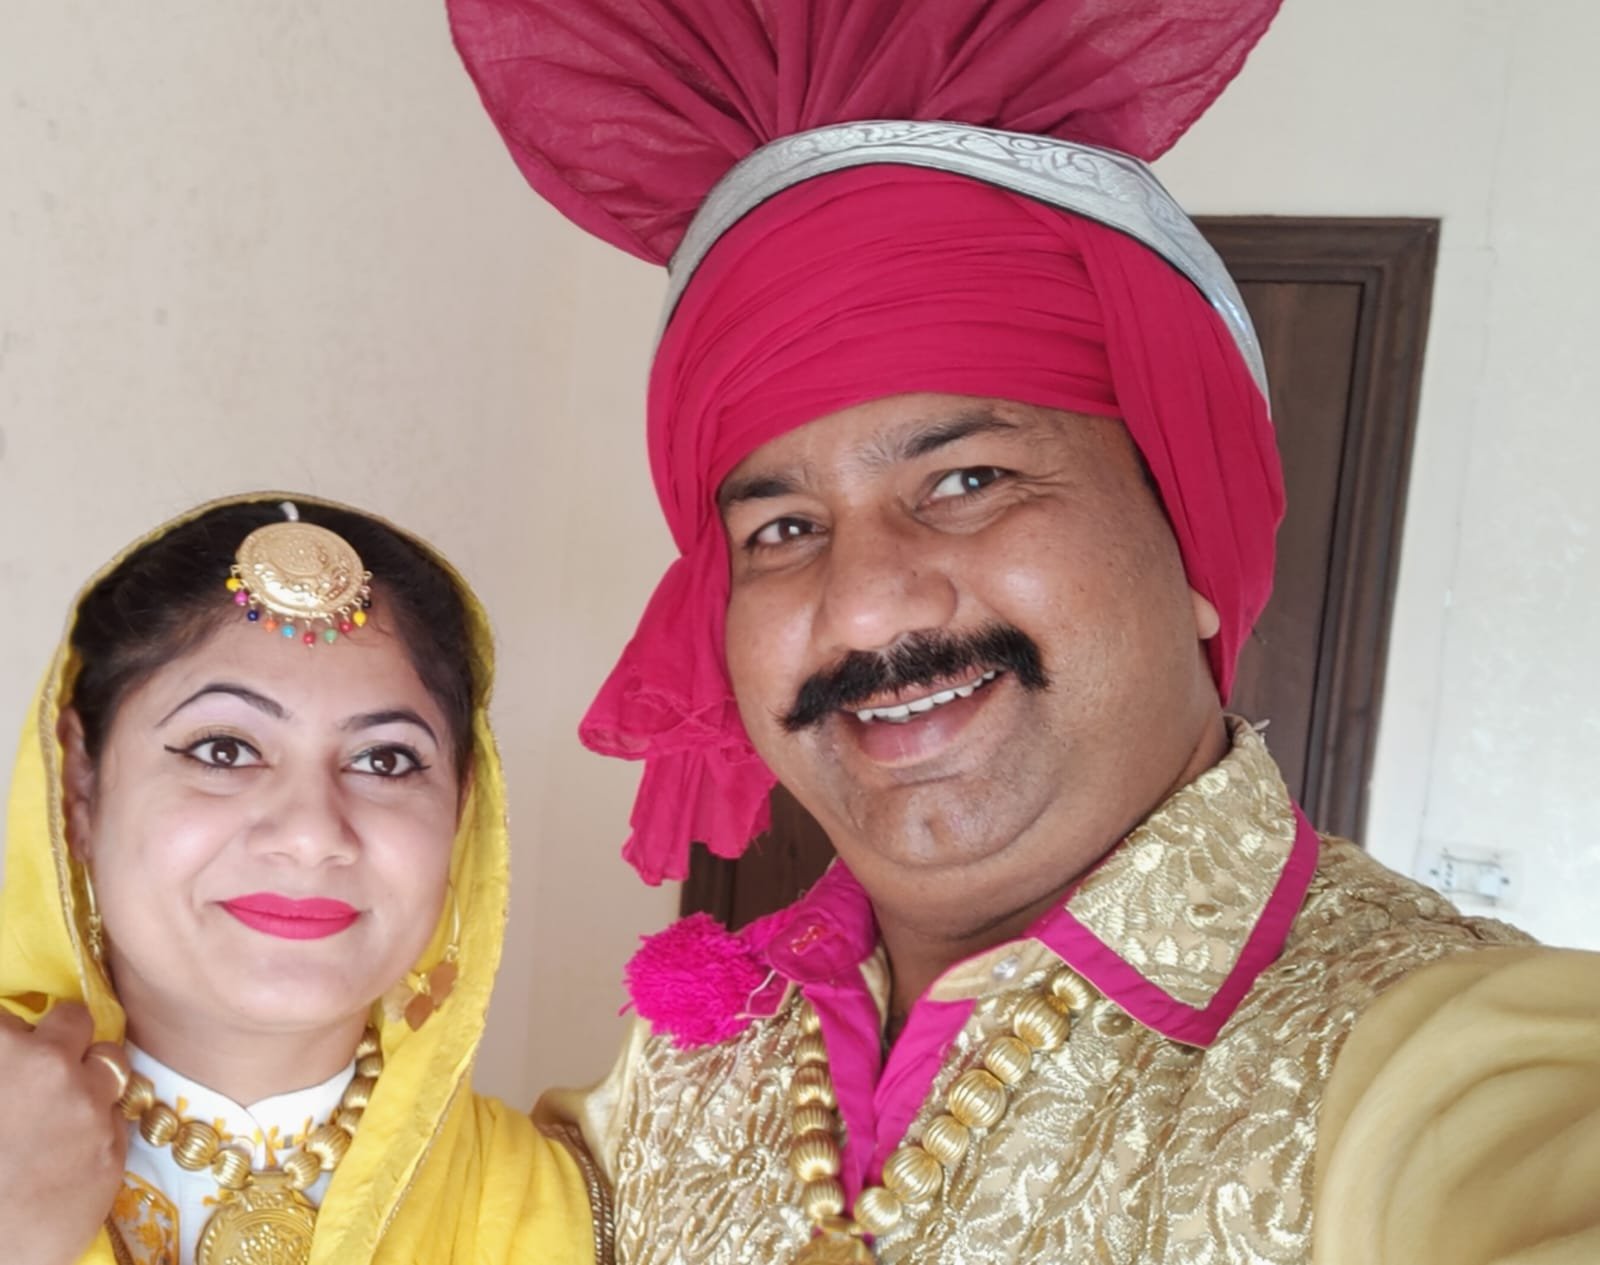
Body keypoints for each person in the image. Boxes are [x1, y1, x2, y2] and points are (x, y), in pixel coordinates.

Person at [450, 0, 1600, 1261]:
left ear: (1194, 541)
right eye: (781, 527)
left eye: (967, 480)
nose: (863, 602)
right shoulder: (677, 1069)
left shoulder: (1442, 1065)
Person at [0, 495, 604, 1265]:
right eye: (223, 749)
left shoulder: (580, 1209)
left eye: (385, 759)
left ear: (462, 809)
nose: (312, 833)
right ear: (78, 788)